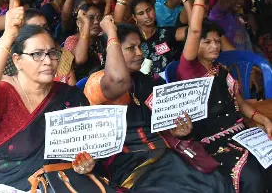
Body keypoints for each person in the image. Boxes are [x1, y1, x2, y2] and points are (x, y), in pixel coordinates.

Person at [83, 21, 233, 192]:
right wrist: (111, 32)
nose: (140, 53)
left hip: (164, 155)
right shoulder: (97, 82)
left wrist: (177, 131)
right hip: (133, 166)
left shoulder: (145, 80)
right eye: (131, 48)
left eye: (139, 46)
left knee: (217, 181)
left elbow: (164, 121)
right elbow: (118, 80)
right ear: (112, 51)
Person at [0, 13, 94, 191]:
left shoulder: (69, 97)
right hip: (2, 183)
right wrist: (8, 36)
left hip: (58, 182)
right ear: (17, 61)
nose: (47, 61)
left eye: (52, 53)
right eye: (37, 54)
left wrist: (85, 163)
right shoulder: (3, 93)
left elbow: (84, 148)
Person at [177, 0, 272, 193]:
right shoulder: (188, 69)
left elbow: (240, 103)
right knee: (251, 175)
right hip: (211, 141)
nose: (215, 46)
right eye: (207, 42)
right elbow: (195, 29)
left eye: (217, 41)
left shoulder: (222, 70)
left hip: (240, 132)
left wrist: (263, 120)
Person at [63, 4, 105, 80]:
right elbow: (80, 59)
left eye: (99, 18)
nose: (96, 22)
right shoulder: (71, 40)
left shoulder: (101, 38)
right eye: (90, 18)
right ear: (79, 23)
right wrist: (86, 23)